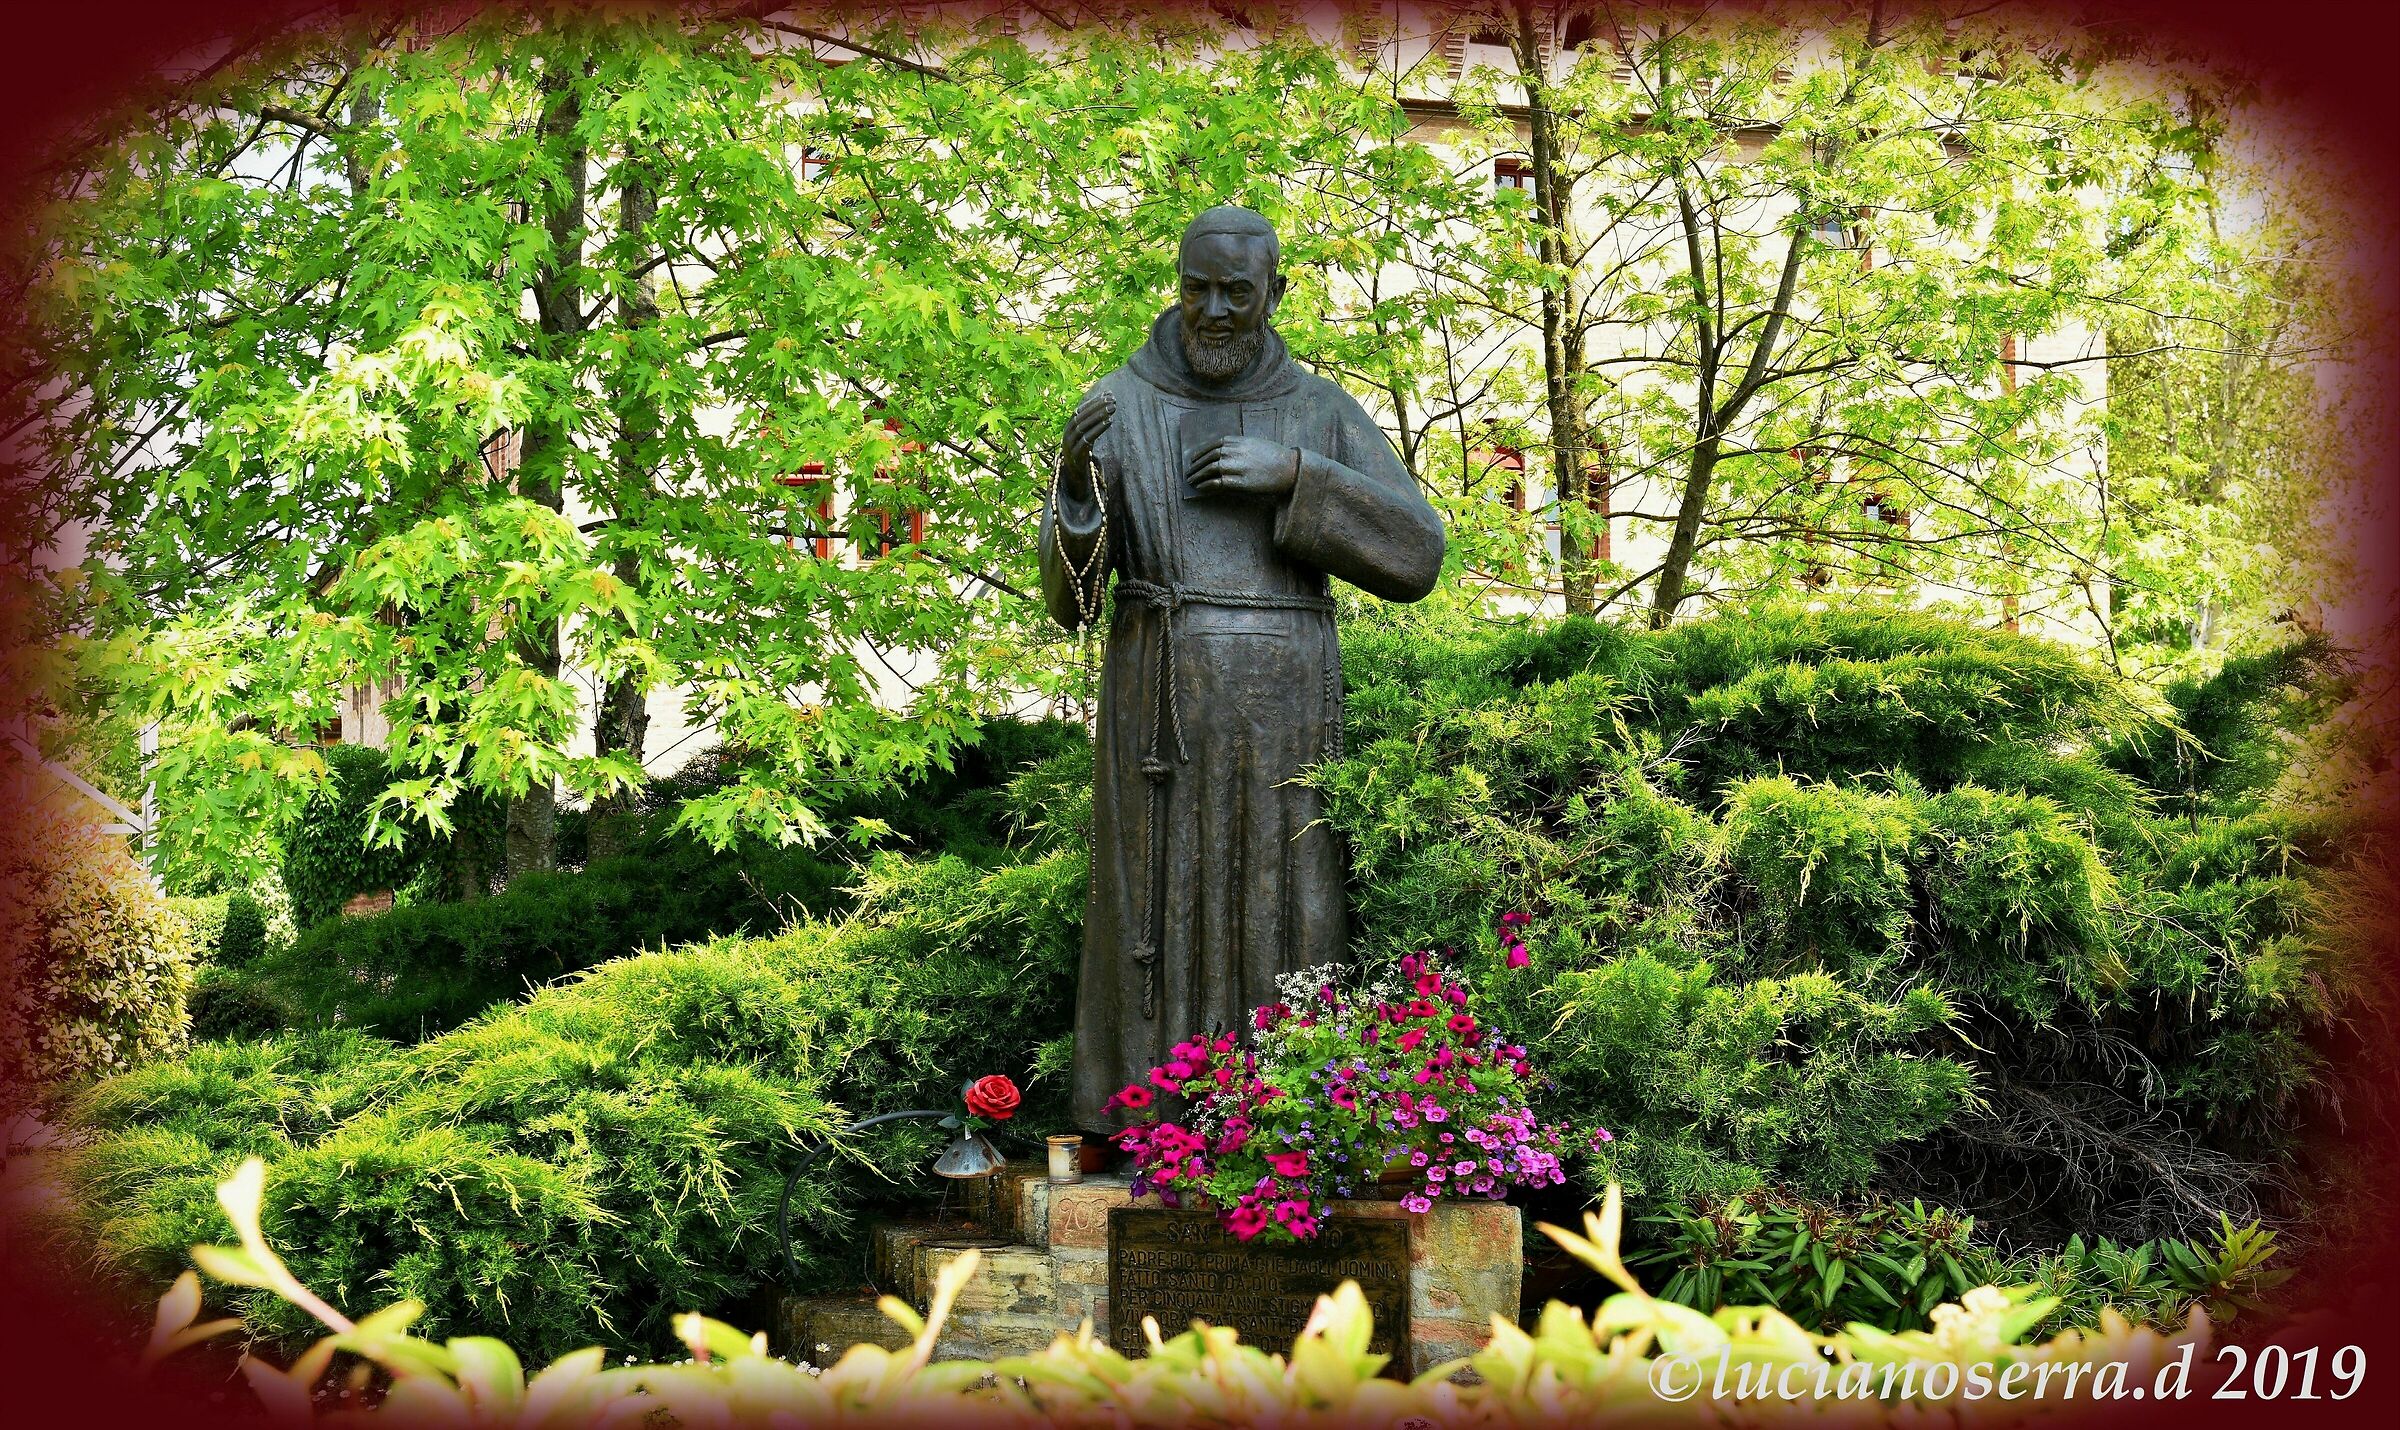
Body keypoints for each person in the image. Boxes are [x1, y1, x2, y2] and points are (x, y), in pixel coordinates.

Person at [1040, 204, 1446, 1132]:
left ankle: (1293, 1121)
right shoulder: (1121, 405)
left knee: (1287, 907)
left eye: (1238, 291)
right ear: (1178, 284)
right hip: (1158, 701)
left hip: (1288, 704)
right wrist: (1073, 493)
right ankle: (1145, 1120)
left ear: (1276, 292)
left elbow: (1417, 557)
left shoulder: (1319, 411)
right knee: (1152, 912)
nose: (1215, 309)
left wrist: (1298, 476)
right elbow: (1070, 603)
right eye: (1198, 287)